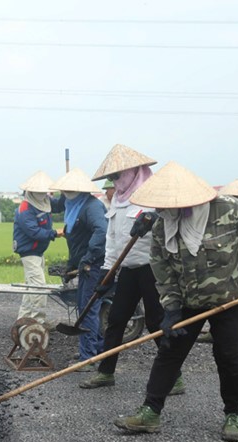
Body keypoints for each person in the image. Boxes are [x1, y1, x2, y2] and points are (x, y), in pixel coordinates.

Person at [113, 162, 238, 442]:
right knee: (168, 352)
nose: (166, 209)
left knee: (229, 358)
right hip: (186, 301)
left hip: (229, 299)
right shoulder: (162, 224)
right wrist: (170, 307)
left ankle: (233, 414)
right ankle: (150, 412)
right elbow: (162, 269)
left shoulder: (229, 209)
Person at [79, 145, 182, 395]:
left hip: (152, 269)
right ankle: (106, 372)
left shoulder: (154, 195)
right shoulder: (118, 198)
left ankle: (174, 377)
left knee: (156, 321)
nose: (115, 181)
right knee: (115, 320)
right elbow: (113, 239)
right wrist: (107, 272)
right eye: (112, 177)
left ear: (134, 171)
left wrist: (155, 221)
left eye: (117, 175)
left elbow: (173, 224)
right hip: (127, 269)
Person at [48, 168, 108, 370]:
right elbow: (54, 205)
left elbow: (102, 231)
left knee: (88, 308)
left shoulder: (91, 207)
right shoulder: (71, 203)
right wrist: (34, 192)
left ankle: (88, 357)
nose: (63, 194)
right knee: (87, 307)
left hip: (93, 264)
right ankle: (95, 350)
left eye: (66, 190)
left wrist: (90, 256)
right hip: (83, 262)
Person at [197, 179, 238, 343]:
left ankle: (235, 340)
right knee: (225, 305)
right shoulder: (230, 218)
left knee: (236, 309)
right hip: (231, 268)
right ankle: (217, 333)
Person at [12, 170, 65, 325]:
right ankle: (37, 322)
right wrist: (55, 233)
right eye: (41, 191)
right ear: (31, 191)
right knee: (39, 288)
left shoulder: (44, 201)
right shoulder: (25, 208)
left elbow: (60, 205)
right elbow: (33, 232)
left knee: (31, 288)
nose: (44, 194)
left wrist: (64, 190)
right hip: (29, 252)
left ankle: (23, 320)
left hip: (38, 252)